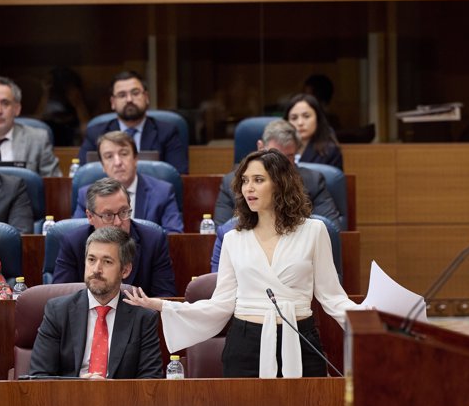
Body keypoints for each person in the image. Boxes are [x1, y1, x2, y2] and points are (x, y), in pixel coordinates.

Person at [125, 149, 361, 378]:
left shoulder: (314, 231)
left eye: (258, 180)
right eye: (245, 180)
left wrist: (372, 318)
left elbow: (332, 296)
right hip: (246, 345)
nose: (248, 188)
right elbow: (221, 304)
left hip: (300, 338)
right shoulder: (233, 239)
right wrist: (164, 305)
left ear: (280, 184)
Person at [29, 226, 162, 379]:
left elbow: (151, 381)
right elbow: (38, 378)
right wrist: (78, 386)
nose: (96, 269)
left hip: (120, 402)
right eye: (91, 260)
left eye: (107, 262)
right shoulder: (58, 311)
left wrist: (107, 390)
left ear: (125, 270)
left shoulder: (143, 318)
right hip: (68, 400)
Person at [54, 178, 176, 297]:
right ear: (90, 216)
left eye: (123, 212)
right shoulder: (73, 243)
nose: (118, 222)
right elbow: (62, 297)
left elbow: (164, 297)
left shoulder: (154, 240)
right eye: (108, 215)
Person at [214, 119, 341, 228]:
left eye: (288, 156)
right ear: (260, 147)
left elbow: (331, 228)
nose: (281, 164)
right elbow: (222, 233)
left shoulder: (313, 181)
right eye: (275, 155)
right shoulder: (232, 182)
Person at [78, 70, 189, 174]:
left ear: (146, 97)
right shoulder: (96, 134)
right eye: (122, 95)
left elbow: (178, 176)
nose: (129, 99)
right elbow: (83, 175)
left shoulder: (167, 132)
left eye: (135, 93)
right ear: (113, 102)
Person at [73, 131, 183, 233]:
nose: (117, 162)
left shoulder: (162, 192)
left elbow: (174, 235)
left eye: (124, 154)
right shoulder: (86, 195)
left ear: (135, 159)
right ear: (103, 165)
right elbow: (76, 234)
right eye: (109, 156)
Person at [284, 93, 343, 170]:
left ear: (318, 119)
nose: (300, 123)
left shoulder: (330, 151)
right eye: (294, 118)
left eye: (306, 116)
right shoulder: (280, 149)